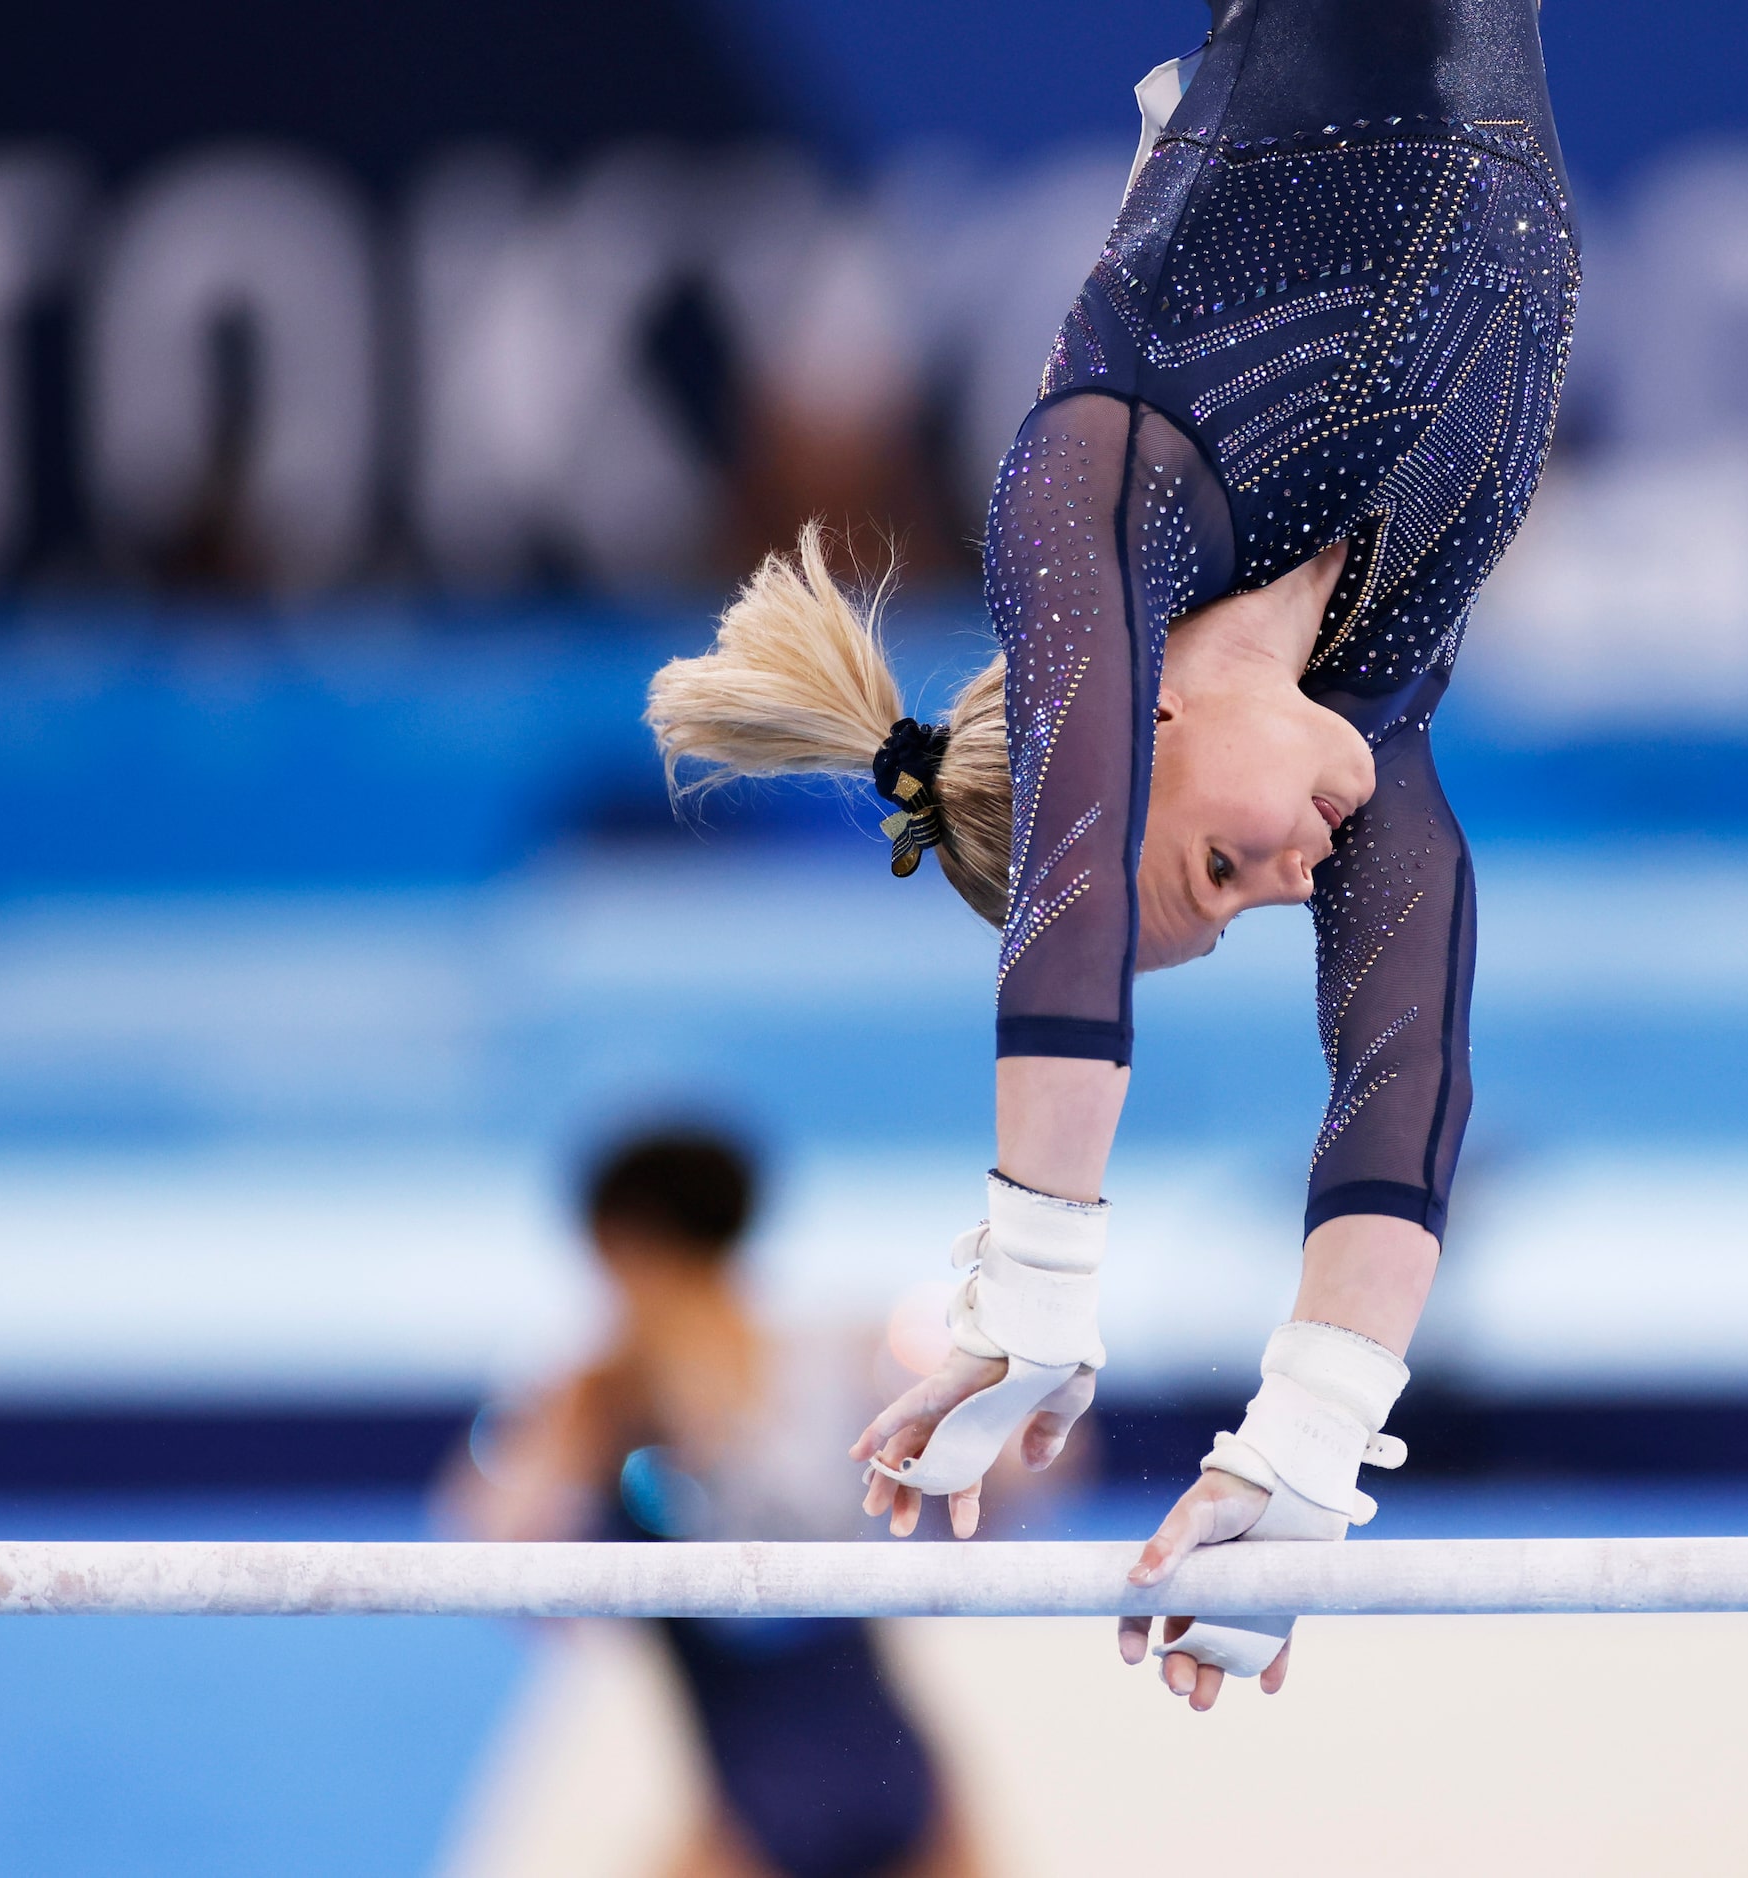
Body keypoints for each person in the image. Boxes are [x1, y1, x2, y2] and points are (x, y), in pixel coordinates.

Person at [646, 0, 1576, 1711]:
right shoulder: (1381, 679)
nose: (1293, 876)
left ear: (1131, 727)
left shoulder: (1107, 481)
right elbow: (1400, 1074)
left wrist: (1041, 1274)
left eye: (1214, 874)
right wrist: (1302, 1452)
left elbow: (1074, 887)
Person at [447, 1130, 980, 1878]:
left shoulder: (601, 1395)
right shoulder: (840, 1357)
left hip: (757, 1796)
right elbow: (1017, 1491)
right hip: (902, 1783)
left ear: (613, 1244)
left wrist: (574, 1424)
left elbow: (500, 1574)